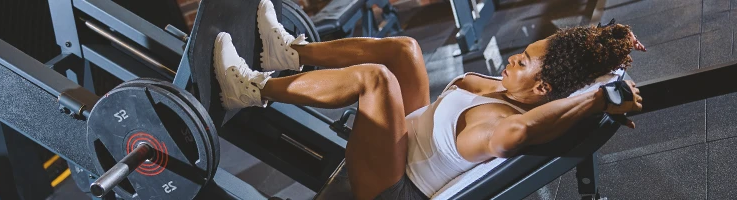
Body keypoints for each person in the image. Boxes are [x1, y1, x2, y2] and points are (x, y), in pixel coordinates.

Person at [213, 0, 646, 199]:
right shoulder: (509, 88)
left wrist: (598, 100)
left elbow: (527, 129)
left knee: (377, 80)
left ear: (542, 90)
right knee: (404, 51)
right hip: (409, 139)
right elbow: (591, 78)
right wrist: (608, 60)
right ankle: (287, 53)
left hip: (393, 189)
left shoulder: (497, 126)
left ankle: (249, 89)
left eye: (525, 61)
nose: (517, 55)